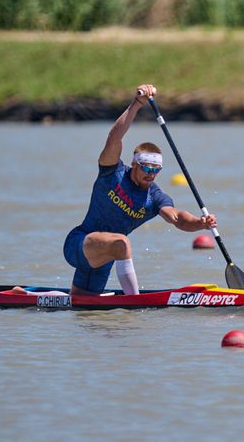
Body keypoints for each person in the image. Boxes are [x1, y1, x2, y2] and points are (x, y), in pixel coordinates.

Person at [63, 84, 216, 297]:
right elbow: (114, 138)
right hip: (79, 243)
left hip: (105, 259)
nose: (151, 174)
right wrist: (137, 104)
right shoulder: (112, 172)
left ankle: (21, 294)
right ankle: (134, 302)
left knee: (82, 304)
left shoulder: (155, 196)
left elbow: (177, 217)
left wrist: (200, 223)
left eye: (156, 170)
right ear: (135, 164)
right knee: (123, 242)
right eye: (146, 168)